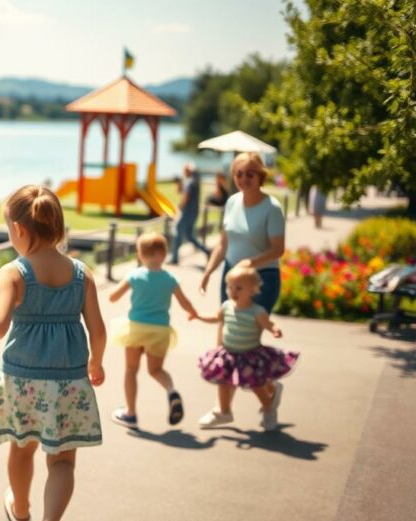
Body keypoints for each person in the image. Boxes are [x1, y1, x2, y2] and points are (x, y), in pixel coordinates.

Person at [0, 185, 105, 521]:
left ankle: (21, 509)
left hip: (23, 381)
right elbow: (98, 330)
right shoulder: (80, 274)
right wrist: (96, 362)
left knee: (21, 447)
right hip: (69, 379)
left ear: (17, 229)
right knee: (62, 461)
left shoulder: (13, 273)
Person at [107, 232, 200, 429]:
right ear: (164, 254)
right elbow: (185, 302)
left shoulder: (134, 275)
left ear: (140, 255)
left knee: (131, 370)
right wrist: (193, 313)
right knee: (156, 370)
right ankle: (171, 391)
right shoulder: (170, 279)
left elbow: (113, 297)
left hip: (136, 329)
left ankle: (130, 413)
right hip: (160, 331)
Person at [194, 266, 299, 431]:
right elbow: (216, 317)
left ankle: (268, 407)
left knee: (256, 385)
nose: (233, 291)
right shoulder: (227, 306)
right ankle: (224, 412)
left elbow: (269, 324)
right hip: (229, 354)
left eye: (239, 288)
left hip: (249, 355)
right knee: (223, 382)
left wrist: (274, 330)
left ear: (253, 290)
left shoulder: (256, 311)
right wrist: (199, 316)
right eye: (229, 287)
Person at [199, 152, 286, 314]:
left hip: (261, 279)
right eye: (239, 174)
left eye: (250, 174)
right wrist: (208, 272)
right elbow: (222, 244)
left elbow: (278, 250)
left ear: (261, 176)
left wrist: (249, 263)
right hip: (231, 275)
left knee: (249, 334)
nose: (244, 179)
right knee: (227, 327)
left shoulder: (272, 207)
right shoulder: (232, 202)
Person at [169, 163, 211, 264]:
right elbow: (180, 192)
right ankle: (206, 250)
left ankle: (174, 258)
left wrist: (179, 206)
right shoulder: (194, 182)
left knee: (177, 232)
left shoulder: (189, 182)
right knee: (189, 235)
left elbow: (185, 197)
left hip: (187, 212)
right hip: (193, 212)